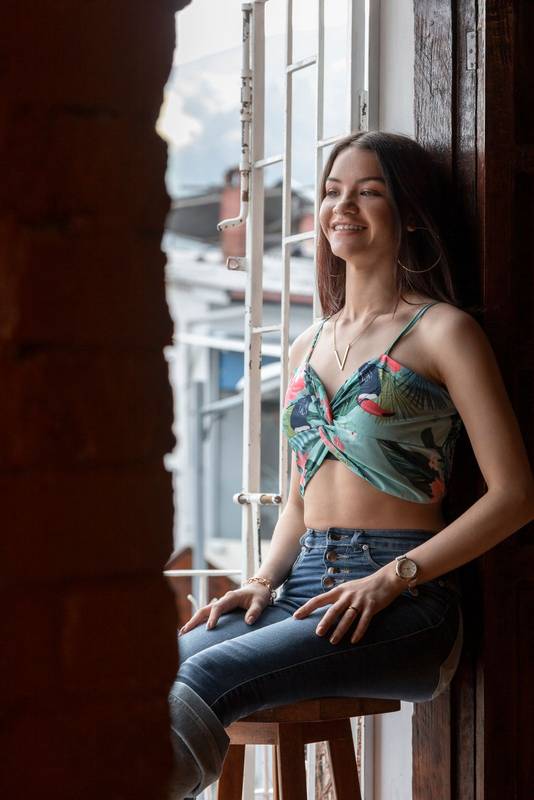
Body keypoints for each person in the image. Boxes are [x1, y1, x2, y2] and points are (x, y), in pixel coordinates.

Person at [167, 131, 534, 799]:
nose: (344, 206)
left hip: (405, 603)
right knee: (160, 668)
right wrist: (262, 580)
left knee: (207, 679)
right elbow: (301, 495)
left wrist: (392, 579)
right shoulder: (310, 340)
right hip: (303, 589)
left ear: (411, 214)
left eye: (369, 193)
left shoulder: (443, 331)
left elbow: (514, 496)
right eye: (335, 191)